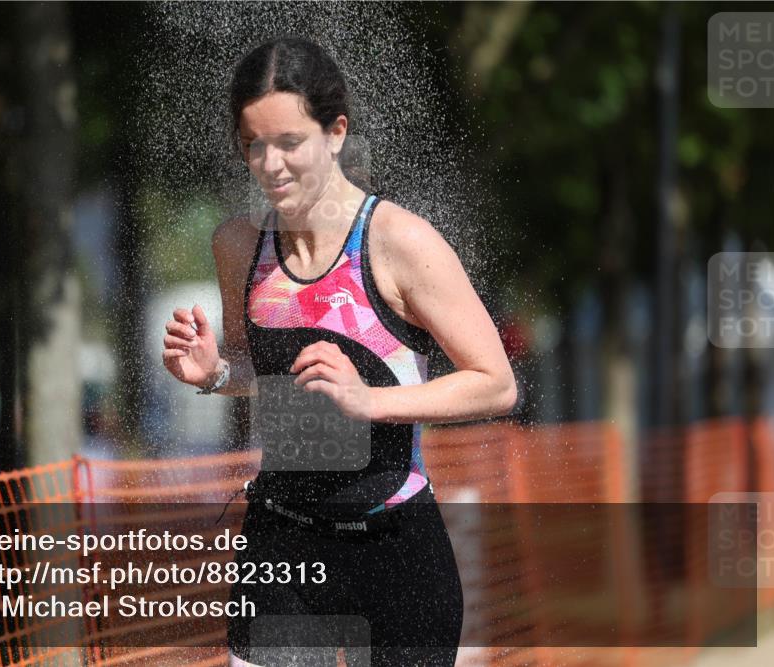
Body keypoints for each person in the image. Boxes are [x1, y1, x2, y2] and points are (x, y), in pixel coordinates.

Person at [162, 37, 517, 667]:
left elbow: (494, 382)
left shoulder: (400, 242)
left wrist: (369, 400)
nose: (270, 165)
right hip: (281, 540)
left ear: (335, 133)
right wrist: (215, 373)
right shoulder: (238, 247)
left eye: (290, 142)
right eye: (253, 145)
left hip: (394, 544)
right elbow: (264, 371)